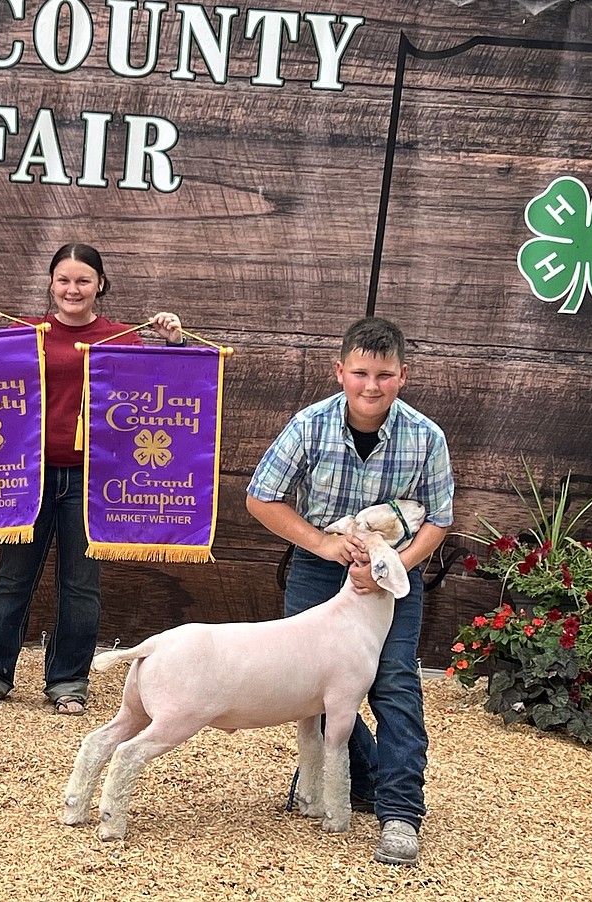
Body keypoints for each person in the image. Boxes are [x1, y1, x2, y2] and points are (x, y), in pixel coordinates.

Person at [245, 316, 453, 867]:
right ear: (340, 371)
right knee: (312, 687)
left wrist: (392, 568)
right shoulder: (308, 425)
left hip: (394, 574)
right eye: (360, 372)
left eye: (384, 374)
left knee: (393, 684)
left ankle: (401, 813)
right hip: (320, 565)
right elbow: (261, 498)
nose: (371, 385)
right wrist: (321, 545)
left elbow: (439, 520)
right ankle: (352, 778)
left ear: (402, 376)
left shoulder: (426, 436)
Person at [0, 242, 184, 716]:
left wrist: (175, 340)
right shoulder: (27, 332)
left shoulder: (123, 338)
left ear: (100, 285)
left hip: (94, 477)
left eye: (83, 280)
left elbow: (168, 381)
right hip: (29, 475)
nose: (72, 289)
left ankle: (68, 680)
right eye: (64, 279)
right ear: (51, 284)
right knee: (13, 577)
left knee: (81, 583)